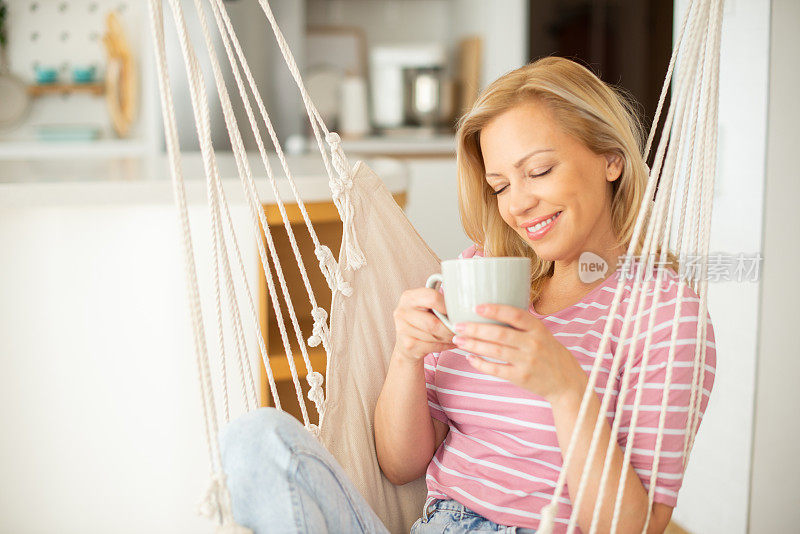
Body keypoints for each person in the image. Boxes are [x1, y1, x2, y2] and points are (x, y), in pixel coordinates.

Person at [219, 56, 716, 534]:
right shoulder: (483, 274)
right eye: (499, 185)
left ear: (612, 159)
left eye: (539, 171)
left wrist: (565, 387)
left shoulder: (664, 314)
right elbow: (400, 467)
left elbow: (631, 526)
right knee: (255, 441)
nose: (517, 204)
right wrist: (408, 356)